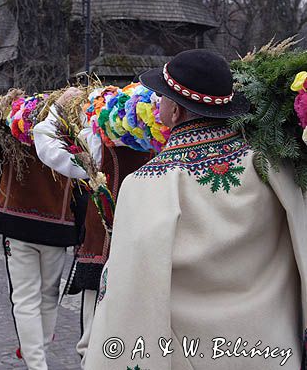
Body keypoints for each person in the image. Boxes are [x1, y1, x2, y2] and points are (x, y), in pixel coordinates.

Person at [81, 49, 306, 370]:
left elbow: (130, 293)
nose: (157, 105)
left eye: (161, 97)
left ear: (174, 112)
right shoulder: (275, 165)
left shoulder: (145, 185)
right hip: (271, 351)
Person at [33, 87, 152, 363]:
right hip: (154, 253)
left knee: (95, 343)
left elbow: (49, 145)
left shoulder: (101, 141)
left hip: (105, 250)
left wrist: (57, 111)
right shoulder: (169, 136)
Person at [0, 143, 79, 370]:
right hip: (57, 223)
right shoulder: (68, 128)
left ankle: (37, 363)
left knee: (25, 299)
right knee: (48, 296)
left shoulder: (11, 124)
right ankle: (38, 354)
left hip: (17, 220)